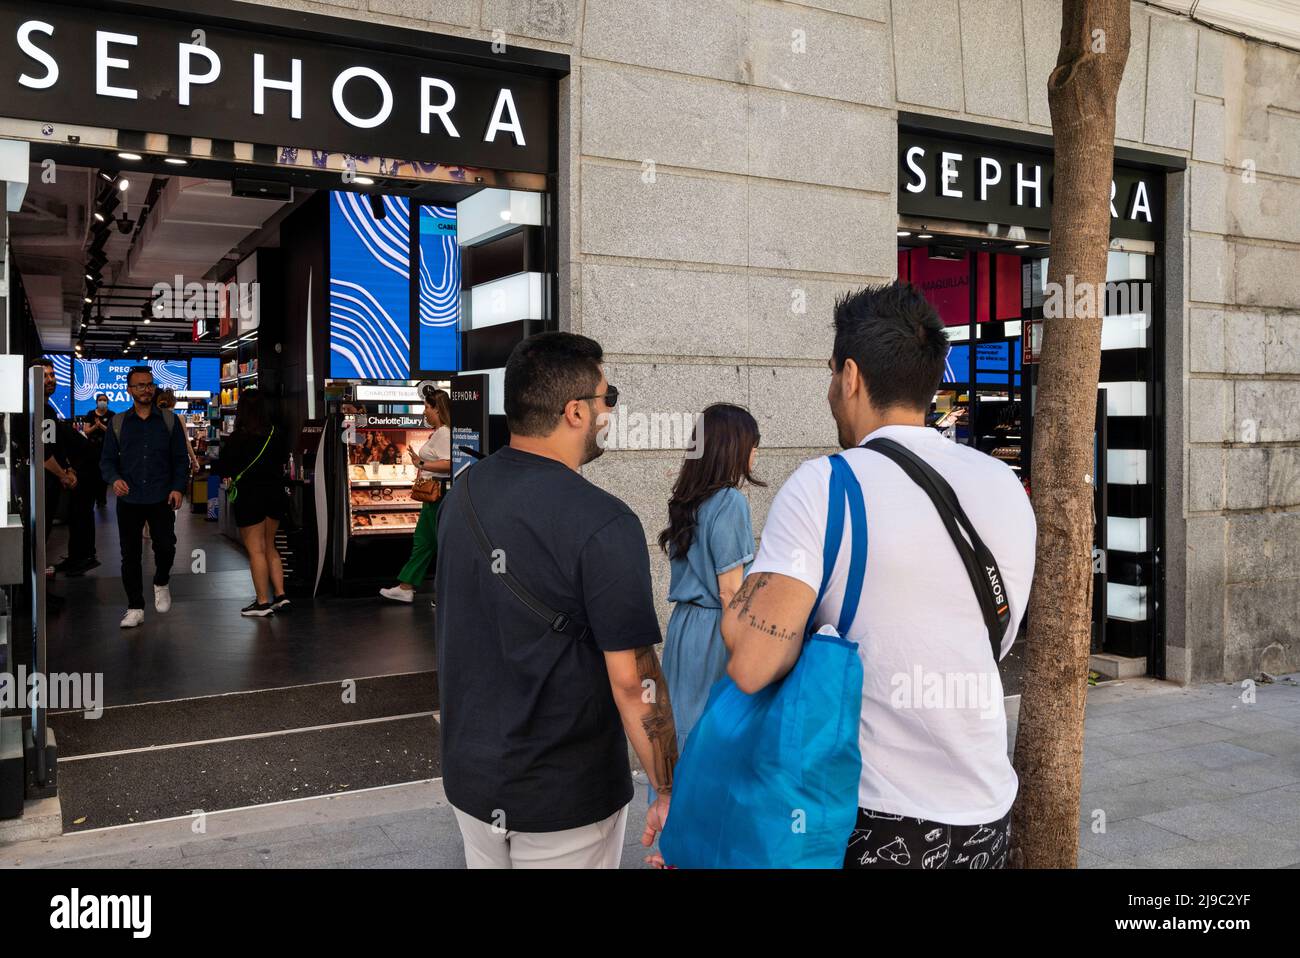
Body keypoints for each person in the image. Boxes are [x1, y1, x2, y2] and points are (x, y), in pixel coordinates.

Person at [722, 281, 1037, 870]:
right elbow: (992, 636)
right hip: (987, 810)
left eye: (830, 378)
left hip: (873, 812)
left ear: (850, 375)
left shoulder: (825, 485)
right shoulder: (1004, 487)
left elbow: (751, 661)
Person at [435, 331, 677, 868]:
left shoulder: (462, 495)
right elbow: (633, 682)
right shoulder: (604, 522)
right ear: (575, 411)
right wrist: (668, 788)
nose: (609, 413)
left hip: (471, 782)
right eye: (607, 399)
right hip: (565, 798)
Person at [657, 403, 763, 752]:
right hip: (718, 631)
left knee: (682, 727)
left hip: (684, 628)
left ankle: (675, 803)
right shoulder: (730, 502)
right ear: (734, 447)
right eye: (753, 443)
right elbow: (730, 592)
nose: (756, 452)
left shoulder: (689, 501)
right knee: (715, 734)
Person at [100, 366, 190, 629]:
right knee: (130, 555)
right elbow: (106, 461)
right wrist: (114, 479)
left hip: (162, 496)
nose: (145, 389)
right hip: (129, 500)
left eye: (149, 384)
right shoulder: (117, 423)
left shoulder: (169, 421)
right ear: (129, 390)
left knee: (165, 546)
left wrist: (178, 488)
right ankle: (135, 606)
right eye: (139, 385)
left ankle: (161, 580)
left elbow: (180, 459)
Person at [212, 389, 290, 617]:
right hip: (275, 494)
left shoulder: (239, 437)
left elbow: (225, 467)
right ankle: (281, 596)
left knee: (255, 550)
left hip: (250, 496)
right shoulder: (276, 433)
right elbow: (283, 460)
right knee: (271, 546)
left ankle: (263, 602)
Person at [380, 386, 451, 605]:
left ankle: (440, 592)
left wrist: (421, 462)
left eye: (427, 407)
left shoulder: (444, 433)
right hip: (432, 494)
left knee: (434, 543)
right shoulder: (439, 433)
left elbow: (448, 463)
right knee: (425, 541)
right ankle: (406, 586)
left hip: (437, 494)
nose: (424, 412)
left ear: (437, 409)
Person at [38, 360, 86, 571]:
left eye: (52, 375)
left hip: (50, 480)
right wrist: (64, 476)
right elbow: (43, 453)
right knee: (39, 531)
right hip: (42, 483)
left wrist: (68, 468)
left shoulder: (47, 409)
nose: (50, 379)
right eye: (45, 376)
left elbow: (54, 447)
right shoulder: (40, 410)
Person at [83, 394, 113, 508]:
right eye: (100, 400)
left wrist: (100, 425)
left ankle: (102, 499)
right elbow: (86, 431)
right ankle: (93, 498)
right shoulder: (91, 414)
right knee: (93, 474)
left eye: (104, 400)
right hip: (92, 449)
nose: (102, 402)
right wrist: (96, 426)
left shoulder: (111, 415)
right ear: (96, 402)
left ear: (107, 402)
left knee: (103, 475)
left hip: (105, 449)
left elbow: (111, 431)